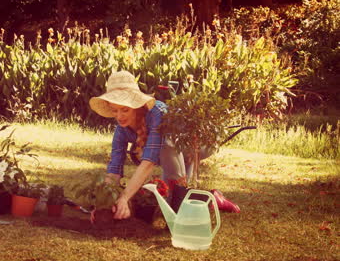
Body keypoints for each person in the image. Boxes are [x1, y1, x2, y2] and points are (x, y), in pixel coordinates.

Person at [89, 70, 240, 220]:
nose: (119, 116)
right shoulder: (121, 130)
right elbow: (114, 168)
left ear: (135, 106)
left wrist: (124, 197)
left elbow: (149, 162)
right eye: (115, 111)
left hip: (199, 143)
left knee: (175, 197)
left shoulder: (156, 113)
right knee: (176, 199)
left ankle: (196, 202)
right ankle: (214, 198)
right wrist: (104, 202)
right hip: (173, 151)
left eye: (125, 110)